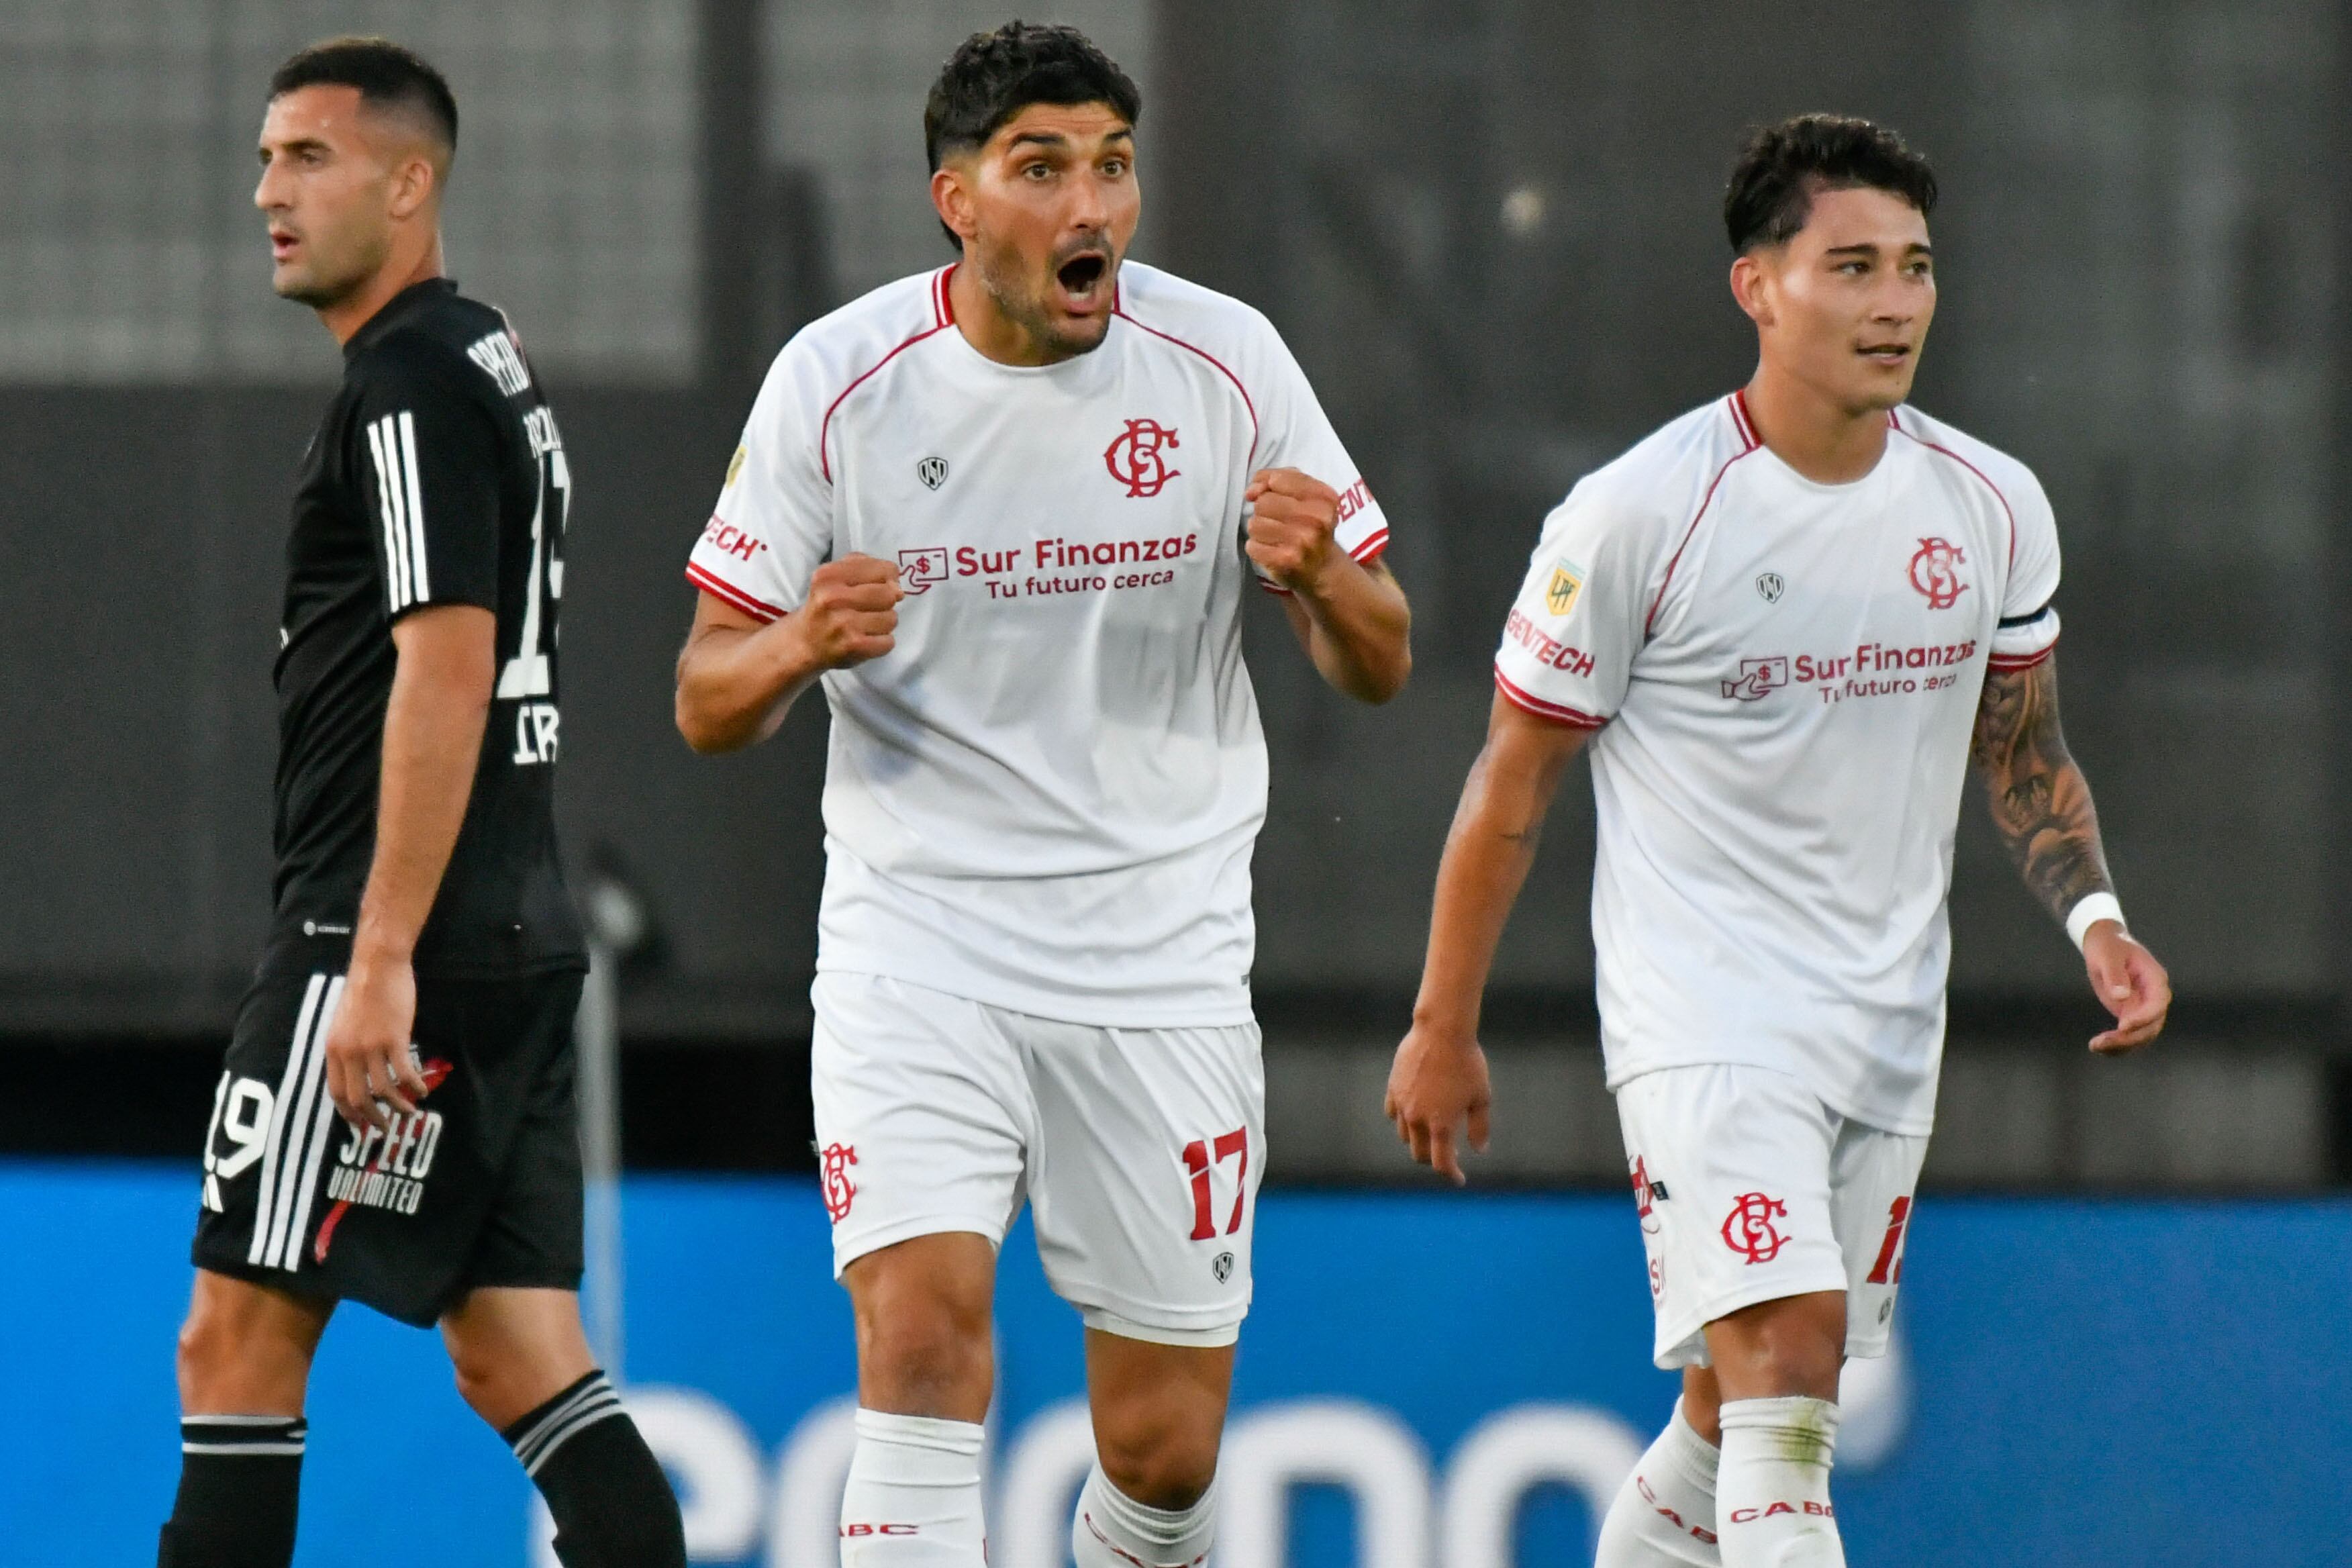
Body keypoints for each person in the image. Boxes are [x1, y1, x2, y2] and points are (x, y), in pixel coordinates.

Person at [1385, 114, 2170, 1568]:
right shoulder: (1638, 516)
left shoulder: (1992, 506)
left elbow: (2024, 747)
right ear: (1758, 286)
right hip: (1704, 1012)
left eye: (1918, 268)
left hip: (1883, 1017)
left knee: (1723, 1404)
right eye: (1853, 265)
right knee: (1791, 1363)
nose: (1895, 301)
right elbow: (1512, 786)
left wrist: (2096, 922)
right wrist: (1445, 1023)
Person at [673, 22, 1410, 1567]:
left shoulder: (1226, 363)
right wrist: (800, 639)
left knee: (1164, 1451)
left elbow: (1383, 661)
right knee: (926, 1348)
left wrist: (1322, 576)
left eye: (1114, 167)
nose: (1092, 208)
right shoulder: (838, 381)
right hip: (918, 939)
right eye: (1043, 169)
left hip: (1160, 957)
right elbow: (704, 695)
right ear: (957, 199)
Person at [161, 38, 685, 1568]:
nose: (269, 191)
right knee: (519, 1352)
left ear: (410, 180)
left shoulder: (402, 386)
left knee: (232, 1350)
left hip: (379, 934)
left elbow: (444, 669)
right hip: (512, 929)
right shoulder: (485, 359)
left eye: (308, 159)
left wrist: (374, 954)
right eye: (264, 160)